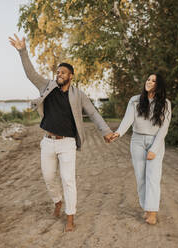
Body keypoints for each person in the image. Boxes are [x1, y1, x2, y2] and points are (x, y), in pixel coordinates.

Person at [9, 34, 114, 232]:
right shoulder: (47, 87)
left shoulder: (78, 95)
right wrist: (22, 51)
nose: (59, 74)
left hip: (67, 144)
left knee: (68, 179)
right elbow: (30, 73)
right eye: (58, 71)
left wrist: (106, 131)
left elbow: (93, 113)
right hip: (47, 142)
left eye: (63, 72)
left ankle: (70, 216)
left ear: (71, 76)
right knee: (49, 177)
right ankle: (57, 201)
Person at [110, 73, 171, 225]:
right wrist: (118, 133)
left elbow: (164, 129)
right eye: (148, 79)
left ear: (159, 85)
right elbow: (127, 120)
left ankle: (153, 212)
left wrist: (154, 149)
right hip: (137, 141)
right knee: (141, 178)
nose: (149, 82)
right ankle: (147, 208)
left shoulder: (165, 104)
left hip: (155, 141)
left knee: (153, 178)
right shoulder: (135, 100)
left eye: (153, 81)